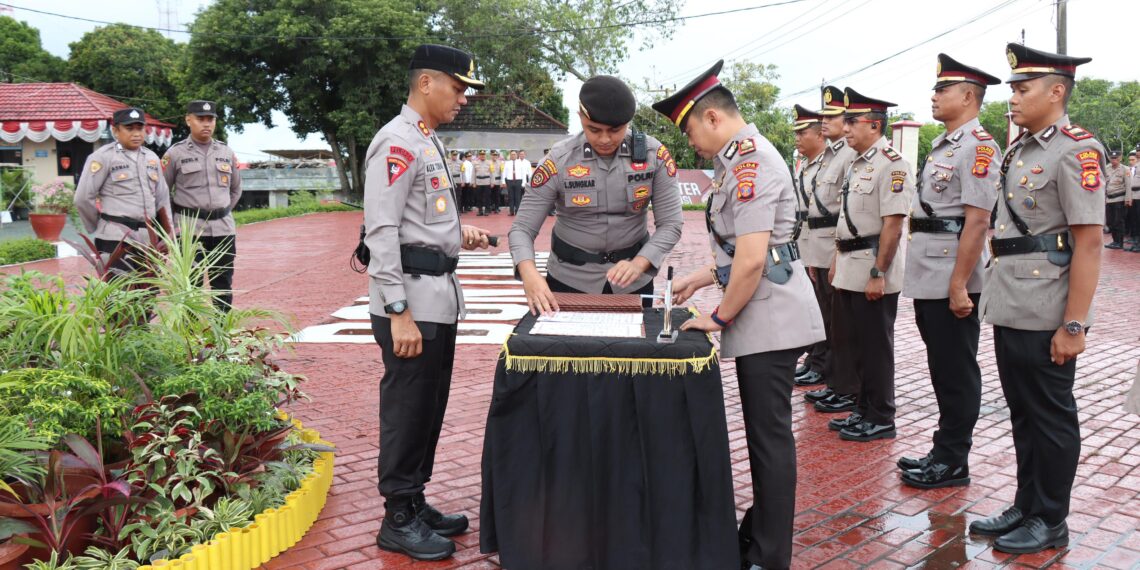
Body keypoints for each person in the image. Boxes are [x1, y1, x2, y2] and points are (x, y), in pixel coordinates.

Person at [655, 60, 825, 570]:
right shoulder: (738, 161)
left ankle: (771, 555)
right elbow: (742, 250)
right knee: (763, 436)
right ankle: (759, 533)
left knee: (770, 440)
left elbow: (753, 258)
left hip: (770, 316)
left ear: (711, 118)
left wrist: (719, 318)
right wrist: (701, 279)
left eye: (689, 130)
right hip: (766, 307)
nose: (692, 144)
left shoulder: (750, 163)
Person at [970, 43, 1104, 555]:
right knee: (1023, 412)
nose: (1013, 100)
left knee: (1050, 415)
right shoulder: (1021, 148)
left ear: (1056, 91)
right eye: (1013, 90)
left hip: (1049, 307)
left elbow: (1088, 241)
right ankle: (1025, 504)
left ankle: (1051, 518)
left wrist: (1075, 325)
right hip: (1011, 302)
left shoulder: (1076, 149)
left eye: (1023, 90)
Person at [361, 44, 493, 562]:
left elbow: (423, 219)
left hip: (437, 296)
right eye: (458, 88)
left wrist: (462, 233)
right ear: (426, 84)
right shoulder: (396, 143)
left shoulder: (425, 140)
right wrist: (398, 312)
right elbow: (383, 231)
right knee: (406, 409)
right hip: (410, 302)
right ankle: (396, 517)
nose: (463, 98)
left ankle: (414, 501)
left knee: (429, 407)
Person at [897, 54, 1002, 489]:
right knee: (942, 367)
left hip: (953, 277)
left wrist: (960, 283)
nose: (934, 96)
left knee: (957, 370)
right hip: (930, 270)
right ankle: (943, 449)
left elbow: (977, 221)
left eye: (942, 90)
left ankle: (954, 460)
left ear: (968, 96)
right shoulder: (946, 144)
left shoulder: (978, 146)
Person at [508, 75, 683, 313]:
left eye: (615, 130)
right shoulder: (558, 160)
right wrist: (529, 274)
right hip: (568, 280)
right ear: (580, 117)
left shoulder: (655, 156)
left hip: (633, 280)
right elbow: (522, 229)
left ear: (629, 123)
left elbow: (671, 223)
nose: (604, 139)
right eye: (594, 129)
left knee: (633, 350)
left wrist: (640, 264)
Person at [826, 88, 915, 442]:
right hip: (850, 264)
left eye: (852, 121)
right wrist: (837, 261)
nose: (845, 128)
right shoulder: (857, 162)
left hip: (872, 269)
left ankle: (881, 415)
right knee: (857, 346)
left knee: (876, 348)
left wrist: (879, 273)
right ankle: (863, 409)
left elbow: (892, 225)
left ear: (875, 125)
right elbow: (846, 219)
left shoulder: (892, 165)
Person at [803, 85, 860, 412]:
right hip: (822, 246)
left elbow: (845, 210)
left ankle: (844, 385)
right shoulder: (831, 155)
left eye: (832, 116)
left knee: (843, 325)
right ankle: (836, 382)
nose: (824, 121)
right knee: (829, 320)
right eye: (822, 115)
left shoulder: (849, 155)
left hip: (839, 248)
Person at [161, 100, 242, 310]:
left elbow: (236, 189)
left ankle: (220, 335)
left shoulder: (226, 152)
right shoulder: (175, 154)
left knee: (222, 285)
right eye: (200, 119)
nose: (206, 124)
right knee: (191, 286)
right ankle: (192, 337)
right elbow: (161, 193)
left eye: (210, 119)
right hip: (189, 231)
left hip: (223, 229)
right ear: (188, 120)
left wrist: (220, 211)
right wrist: (175, 224)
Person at [75, 107, 173, 273]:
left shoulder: (151, 158)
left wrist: (168, 234)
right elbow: (83, 198)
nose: (136, 133)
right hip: (116, 238)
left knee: (148, 292)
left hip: (147, 237)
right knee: (121, 293)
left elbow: (162, 199)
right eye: (129, 128)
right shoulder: (103, 157)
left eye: (140, 128)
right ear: (115, 131)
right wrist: (97, 226)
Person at [790, 104, 828, 389]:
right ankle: (814, 359)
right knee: (808, 307)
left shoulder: (831, 161)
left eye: (802, 132)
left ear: (819, 134)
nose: (797, 138)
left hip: (822, 246)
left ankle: (823, 364)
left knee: (825, 311)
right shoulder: (805, 164)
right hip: (805, 242)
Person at [1105, 150, 1129, 249]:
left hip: (1120, 198)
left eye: (1116, 158)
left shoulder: (1125, 169)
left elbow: (1128, 185)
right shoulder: (1106, 168)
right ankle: (1114, 241)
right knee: (1110, 222)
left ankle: (1120, 242)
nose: (1113, 160)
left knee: (1118, 221)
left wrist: (1128, 199)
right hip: (1109, 199)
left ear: (1120, 158)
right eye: (1112, 158)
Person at [502, 150, 528, 215]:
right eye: (512, 154)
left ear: (517, 155)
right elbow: (504, 173)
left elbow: (523, 173)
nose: (513, 156)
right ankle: (511, 211)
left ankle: (517, 211)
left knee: (518, 197)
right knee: (510, 197)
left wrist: (524, 183)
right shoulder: (507, 163)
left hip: (518, 181)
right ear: (510, 155)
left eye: (514, 154)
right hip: (509, 181)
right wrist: (503, 182)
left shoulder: (520, 163)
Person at [473, 149, 492, 216]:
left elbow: (492, 173)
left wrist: (492, 182)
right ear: (479, 156)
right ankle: (480, 210)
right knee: (479, 197)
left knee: (487, 197)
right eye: (481, 155)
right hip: (478, 182)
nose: (482, 156)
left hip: (487, 182)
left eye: (483, 154)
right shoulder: (475, 163)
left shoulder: (489, 163)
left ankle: (487, 210)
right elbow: (473, 173)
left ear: (485, 155)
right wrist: (474, 182)